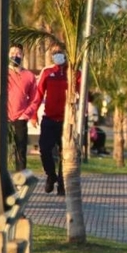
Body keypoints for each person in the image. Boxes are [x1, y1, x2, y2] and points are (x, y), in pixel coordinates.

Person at [31, 44, 80, 196]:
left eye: (60, 52)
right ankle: (50, 175)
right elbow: (38, 95)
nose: (57, 54)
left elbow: (82, 93)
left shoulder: (74, 73)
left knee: (65, 153)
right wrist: (33, 115)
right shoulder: (47, 72)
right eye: (54, 52)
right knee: (44, 149)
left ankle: (61, 183)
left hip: (67, 121)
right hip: (49, 119)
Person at [7, 43, 37, 172]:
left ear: (23, 55)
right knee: (3, 151)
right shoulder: (2, 73)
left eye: (18, 53)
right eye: (12, 53)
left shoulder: (29, 76)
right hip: (4, 118)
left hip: (21, 118)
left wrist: (27, 114)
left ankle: (21, 180)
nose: (15, 56)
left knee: (20, 151)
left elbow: (35, 99)